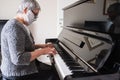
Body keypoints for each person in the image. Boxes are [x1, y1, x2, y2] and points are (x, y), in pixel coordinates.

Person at [1, 0, 57, 80]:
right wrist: (42, 51)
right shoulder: (14, 27)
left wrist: (43, 46)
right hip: (17, 73)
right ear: (26, 10)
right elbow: (18, 59)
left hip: (25, 67)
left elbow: (26, 46)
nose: (35, 18)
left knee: (54, 70)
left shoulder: (21, 25)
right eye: (35, 14)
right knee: (55, 74)